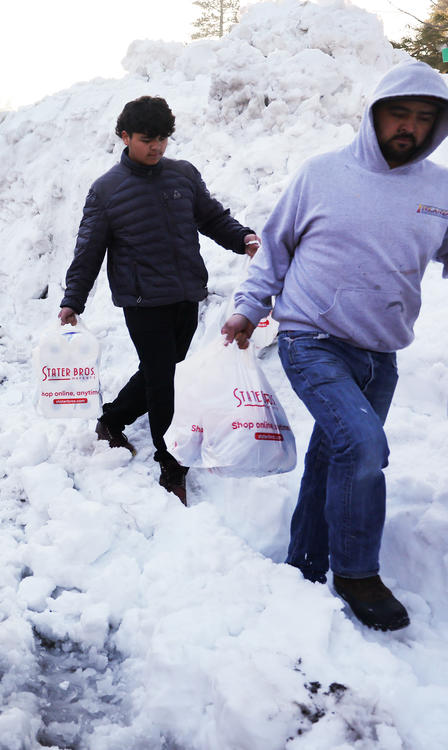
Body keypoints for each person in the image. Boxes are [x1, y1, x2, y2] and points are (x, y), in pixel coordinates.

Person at [222, 60, 448, 632]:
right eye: (399, 113)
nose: (410, 127)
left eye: (425, 118)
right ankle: (356, 573)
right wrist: (249, 308)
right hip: (312, 340)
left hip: (382, 356)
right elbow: (274, 249)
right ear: (374, 114)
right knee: (364, 445)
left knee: (335, 457)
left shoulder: (440, 189)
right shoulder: (321, 174)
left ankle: (304, 562)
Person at [59, 95, 260, 504]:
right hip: (142, 300)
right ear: (125, 136)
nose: (157, 147)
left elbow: (211, 217)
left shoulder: (182, 175)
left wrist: (243, 238)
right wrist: (72, 300)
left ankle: (113, 419)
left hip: (186, 293)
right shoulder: (107, 190)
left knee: (164, 370)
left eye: (163, 139)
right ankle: (171, 464)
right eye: (148, 139)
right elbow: (88, 251)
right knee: (164, 377)